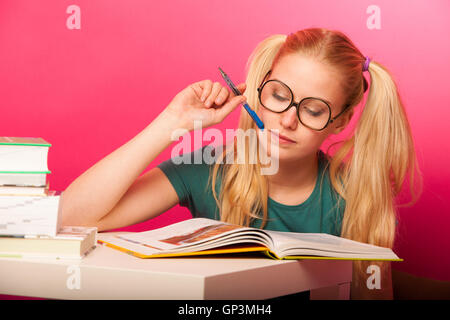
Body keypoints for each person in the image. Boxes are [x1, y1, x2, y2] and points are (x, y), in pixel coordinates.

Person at [61, 28, 421, 299]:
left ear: (339, 122)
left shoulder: (355, 194)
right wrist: (170, 123)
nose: (288, 120)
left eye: (313, 110)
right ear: (258, 94)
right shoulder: (207, 168)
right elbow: (71, 217)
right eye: (279, 96)